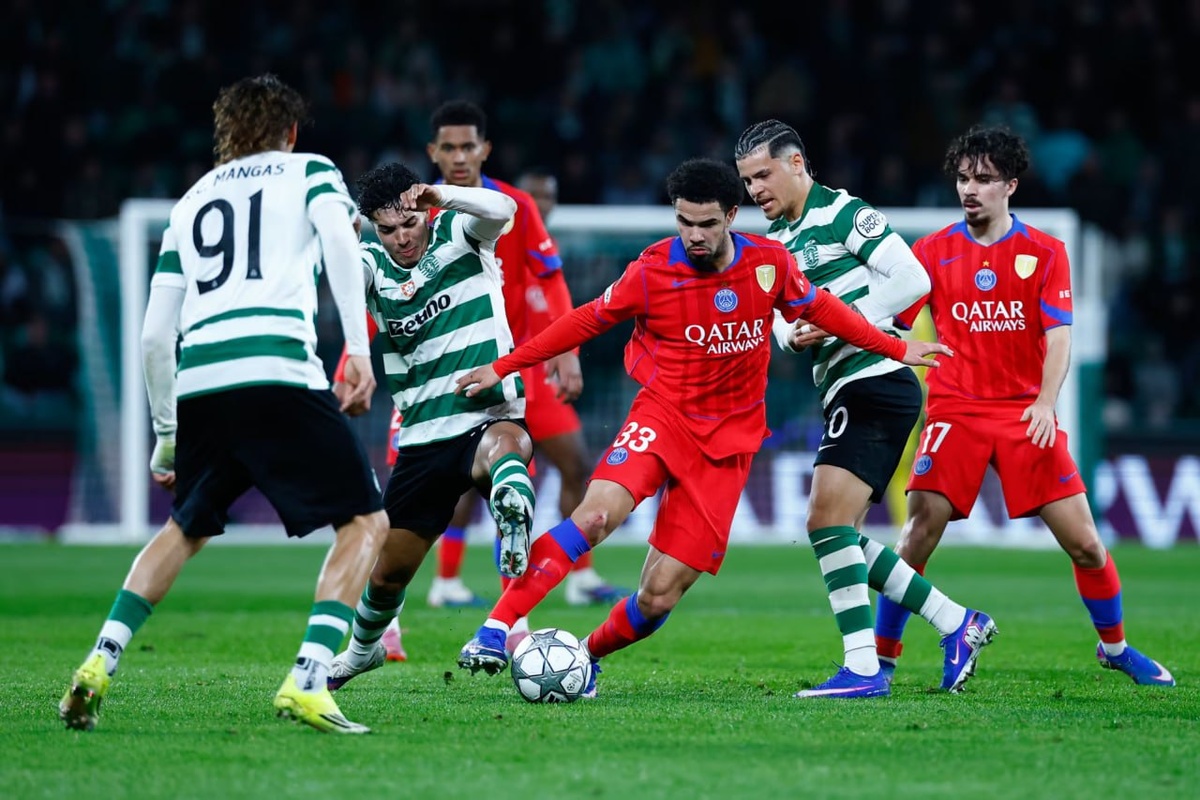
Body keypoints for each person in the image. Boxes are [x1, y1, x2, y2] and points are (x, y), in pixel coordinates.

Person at [453, 158, 958, 699]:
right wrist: (502, 367)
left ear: (731, 216)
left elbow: (827, 311)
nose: (694, 235)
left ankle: (586, 656)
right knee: (596, 514)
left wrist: (897, 348)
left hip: (728, 447)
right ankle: (496, 627)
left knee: (657, 596)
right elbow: (585, 319)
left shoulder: (769, 264)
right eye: (684, 222)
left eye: (707, 224)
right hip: (662, 418)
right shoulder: (651, 271)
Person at [57, 74, 390, 734]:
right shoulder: (310, 171)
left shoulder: (190, 202)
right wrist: (358, 348)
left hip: (202, 380)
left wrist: (166, 435)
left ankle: (99, 661)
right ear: (290, 131)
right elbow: (341, 244)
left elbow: (155, 335)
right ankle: (309, 678)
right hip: (276, 366)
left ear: (227, 134)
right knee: (364, 521)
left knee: (185, 528)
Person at [873, 125, 1175, 687]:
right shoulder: (931, 252)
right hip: (956, 410)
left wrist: (1044, 402)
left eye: (984, 179)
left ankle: (1114, 648)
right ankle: (881, 661)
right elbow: (893, 320)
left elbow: (1058, 338)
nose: (970, 189)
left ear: (1010, 185)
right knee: (917, 533)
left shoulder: (1045, 252)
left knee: (1086, 544)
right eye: (964, 178)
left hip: (1023, 413)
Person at [734, 119, 997, 696]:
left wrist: (844, 322)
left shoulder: (843, 213)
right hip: (843, 385)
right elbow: (781, 326)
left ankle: (863, 667)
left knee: (824, 522)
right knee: (841, 536)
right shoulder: (774, 245)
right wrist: (793, 336)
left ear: (796, 163)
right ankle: (956, 622)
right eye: (747, 181)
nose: (754, 190)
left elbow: (912, 278)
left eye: (763, 175)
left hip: (875, 378)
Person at [323, 162, 539, 692]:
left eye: (409, 223)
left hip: (485, 414)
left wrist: (442, 196)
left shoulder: (459, 231)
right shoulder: (370, 263)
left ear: (424, 212)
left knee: (506, 444)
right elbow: (339, 282)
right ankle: (362, 653)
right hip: (423, 437)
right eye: (387, 230)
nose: (401, 238)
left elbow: (505, 208)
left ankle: (511, 502)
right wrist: (341, 243)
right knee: (387, 575)